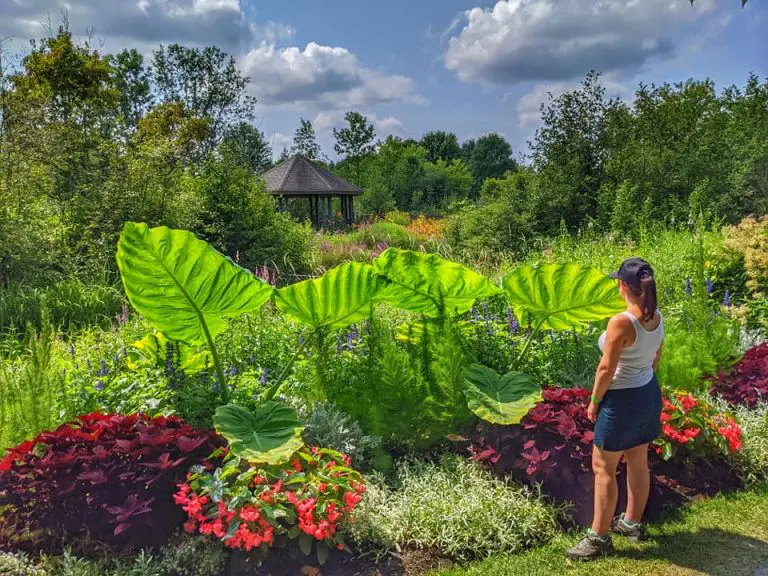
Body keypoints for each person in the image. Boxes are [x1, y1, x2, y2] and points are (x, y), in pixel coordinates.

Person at [567, 257, 664, 561]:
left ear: (623, 285)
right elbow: (656, 357)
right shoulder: (656, 316)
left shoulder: (621, 321)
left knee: (603, 467)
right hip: (647, 393)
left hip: (621, 400)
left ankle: (598, 538)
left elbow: (606, 368)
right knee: (637, 459)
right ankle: (631, 524)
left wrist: (594, 402)